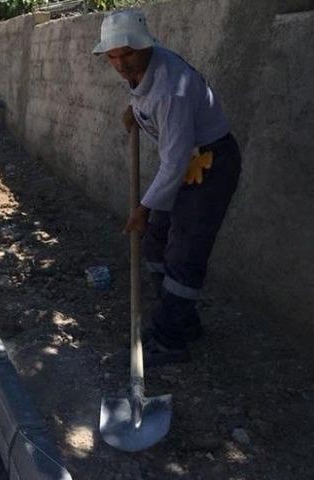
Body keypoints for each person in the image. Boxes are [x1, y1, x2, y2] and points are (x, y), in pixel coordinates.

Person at [93, 10, 242, 366]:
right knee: (155, 242)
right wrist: (134, 110)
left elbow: (174, 161)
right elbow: (144, 98)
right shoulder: (144, 68)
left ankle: (170, 341)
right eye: (113, 56)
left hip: (210, 165)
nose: (121, 64)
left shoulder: (171, 88)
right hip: (187, 162)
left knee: (184, 252)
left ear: (144, 46)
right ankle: (181, 321)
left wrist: (143, 208)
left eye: (127, 54)